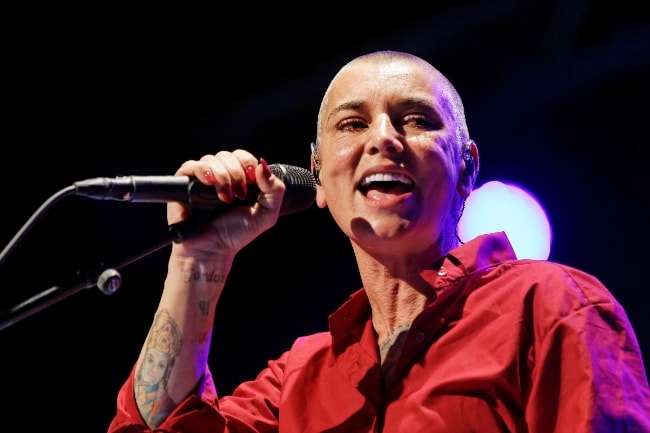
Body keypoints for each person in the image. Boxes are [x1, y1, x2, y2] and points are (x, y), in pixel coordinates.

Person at [107, 50, 650, 432]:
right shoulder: (298, 380)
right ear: (317, 177)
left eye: (415, 120)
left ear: (467, 169)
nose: (384, 139)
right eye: (351, 124)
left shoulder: (551, 306)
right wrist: (197, 259)